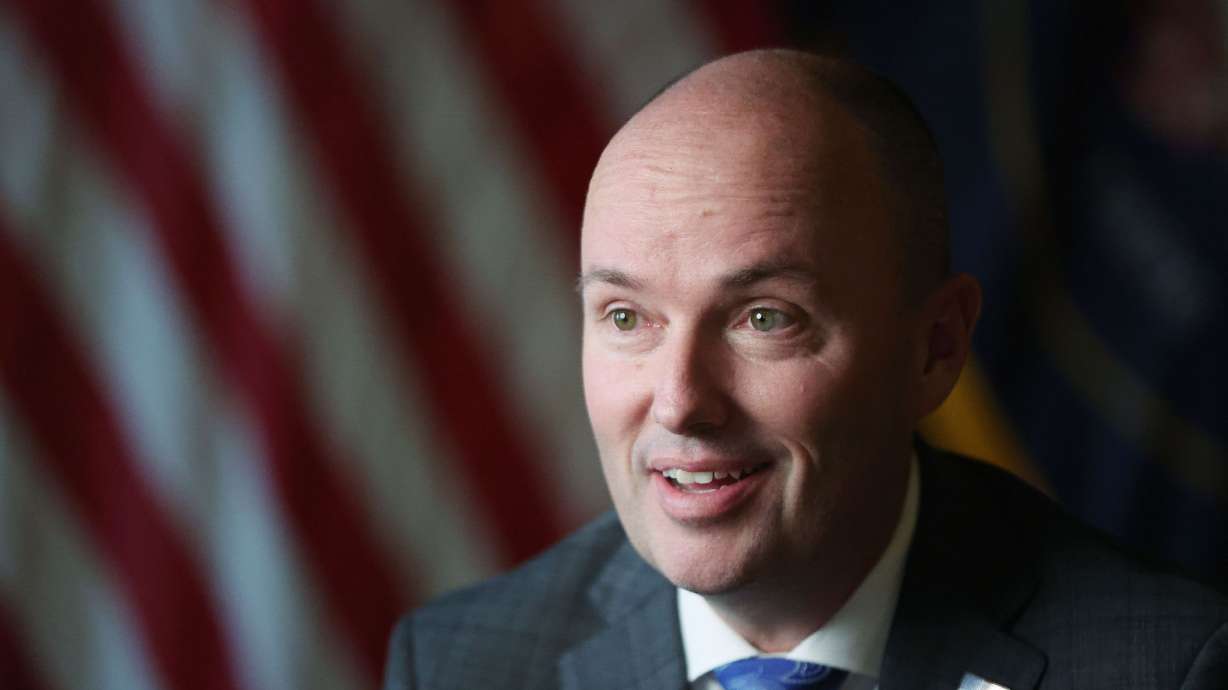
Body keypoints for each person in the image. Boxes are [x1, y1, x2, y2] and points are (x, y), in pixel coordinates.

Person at [382, 49, 1228, 690]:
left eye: (763, 319)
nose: (680, 402)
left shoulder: (1165, 666)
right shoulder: (462, 663)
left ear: (935, 348)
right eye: (626, 318)